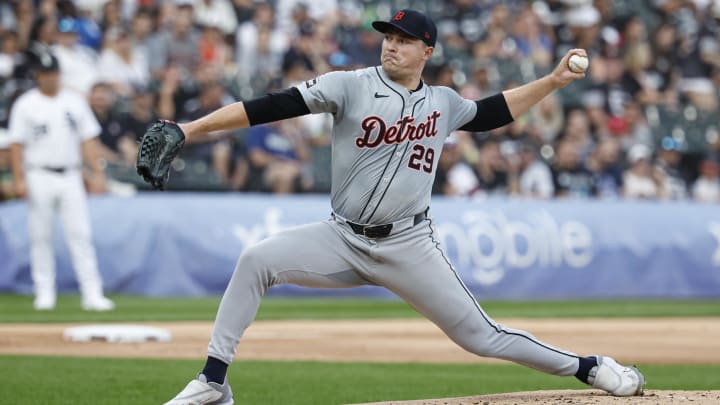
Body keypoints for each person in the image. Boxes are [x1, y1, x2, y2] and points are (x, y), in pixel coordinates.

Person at [161, 10, 644, 404]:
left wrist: (554, 81)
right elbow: (269, 106)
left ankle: (591, 368)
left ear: (427, 51)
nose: (392, 45)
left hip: (410, 244)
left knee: (482, 337)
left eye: (405, 39)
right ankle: (213, 381)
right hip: (342, 237)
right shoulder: (348, 84)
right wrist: (189, 129)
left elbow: (493, 111)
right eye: (388, 36)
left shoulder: (442, 102)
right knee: (256, 261)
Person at [8, 52, 114, 311]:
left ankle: (92, 293)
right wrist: (19, 178)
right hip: (38, 173)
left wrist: (97, 173)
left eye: (54, 73)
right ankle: (44, 292)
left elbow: (88, 139)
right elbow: (16, 145)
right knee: (41, 236)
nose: (51, 78)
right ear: (38, 76)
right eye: (46, 73)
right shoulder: (25, 104)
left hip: (71, 174)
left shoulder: (74, 102)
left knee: (80, 235)